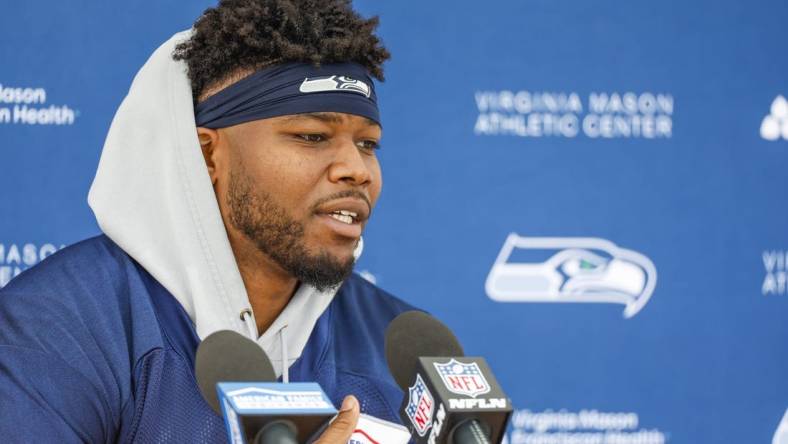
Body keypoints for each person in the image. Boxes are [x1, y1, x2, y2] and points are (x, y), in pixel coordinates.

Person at [0, 0, 417, 441]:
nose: (357, 169)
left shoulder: (401, 344)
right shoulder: (59, 327)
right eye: (312, 136)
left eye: (368, 144)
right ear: (205, 154)